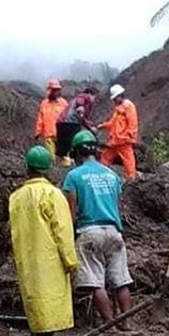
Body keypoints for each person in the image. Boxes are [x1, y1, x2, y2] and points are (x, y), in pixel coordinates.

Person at [8, 145, 78, 336]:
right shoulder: (53, 195)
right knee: (50, 297)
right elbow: (63, 230)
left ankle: (38, 334)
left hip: (27, 257)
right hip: (50, 258)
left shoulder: (16, 197)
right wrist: (71, 261)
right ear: (47, 169)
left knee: (34, 296)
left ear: (27, 167)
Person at [62, 130, 133, 325]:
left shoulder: (74, 176)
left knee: (95, 282)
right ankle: (126, 323)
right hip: (114, 231)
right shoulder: (112, 175)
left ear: (76, 153)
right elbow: (116, 205)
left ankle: (108, 324)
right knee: (121, 280)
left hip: (89, 232)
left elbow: (71, 212)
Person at [98, 84, 139, 182]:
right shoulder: (119, 109)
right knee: (105, 157)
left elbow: (133, 123)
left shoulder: (129, 106)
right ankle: (101, 175)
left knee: (128, 161)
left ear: (120, 95)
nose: (114, 101)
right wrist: (102, 126)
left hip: (123, 140)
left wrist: (128, 136)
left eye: (115, 98)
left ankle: (131, 180)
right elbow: (113, 122)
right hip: (115, 140)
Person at [55, 86, 96, 167]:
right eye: (94, 97)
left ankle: (63, 164)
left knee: (63, 147)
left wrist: (90, 127)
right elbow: (80, 103)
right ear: (90, 94)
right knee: (73, 143)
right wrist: (80, 107)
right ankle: (73, 162)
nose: (94, 100)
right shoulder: (84, 97)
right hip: (70, 123)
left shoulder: (77, 102)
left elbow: (83, 119)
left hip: (61, 122)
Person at [34, 78, 69, 158]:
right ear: (49, 91)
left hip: (62, 135)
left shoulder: (63, 103)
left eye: (57, 90)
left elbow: (68, 117)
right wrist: (38, 133)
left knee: (65, 159)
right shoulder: (44, 103)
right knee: (51, 158)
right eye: (54, 90)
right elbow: (40, 119)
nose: (55, 92)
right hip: (49, 135)